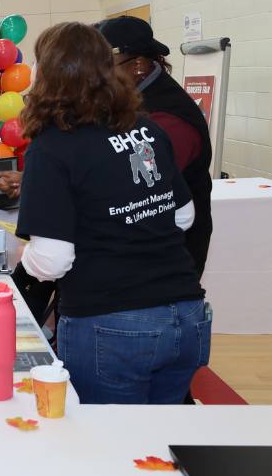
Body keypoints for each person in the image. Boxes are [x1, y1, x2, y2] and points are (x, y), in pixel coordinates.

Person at [14, 22, 209, 405]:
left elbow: (52, 260)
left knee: (111, 449)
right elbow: (183, 217)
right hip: (187, 316)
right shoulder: (147, 129)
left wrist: (25, 262)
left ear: (46, 74)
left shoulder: (52, 147)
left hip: (112, 323)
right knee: (163, 448)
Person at [97, 16, 214, 277]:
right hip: (140, 251)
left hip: (167, 264)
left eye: (106, 66)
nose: (99, 76)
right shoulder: (131, 102)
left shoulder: (169, 119)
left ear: (137, 65)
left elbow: (139, 184)